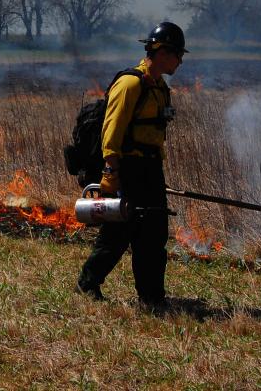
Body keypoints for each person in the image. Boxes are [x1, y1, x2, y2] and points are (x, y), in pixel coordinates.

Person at [75, 22, 188, 308]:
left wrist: (156, 171)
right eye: (177, 54)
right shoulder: (131, 84)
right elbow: (111, 131)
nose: (180, 61)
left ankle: (151, 297)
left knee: (153, 235)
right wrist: (110, 172)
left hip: (149, 170)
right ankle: (88, 283)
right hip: (126, 169)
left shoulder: (160, 87)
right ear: (161, 52)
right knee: (117, 233)